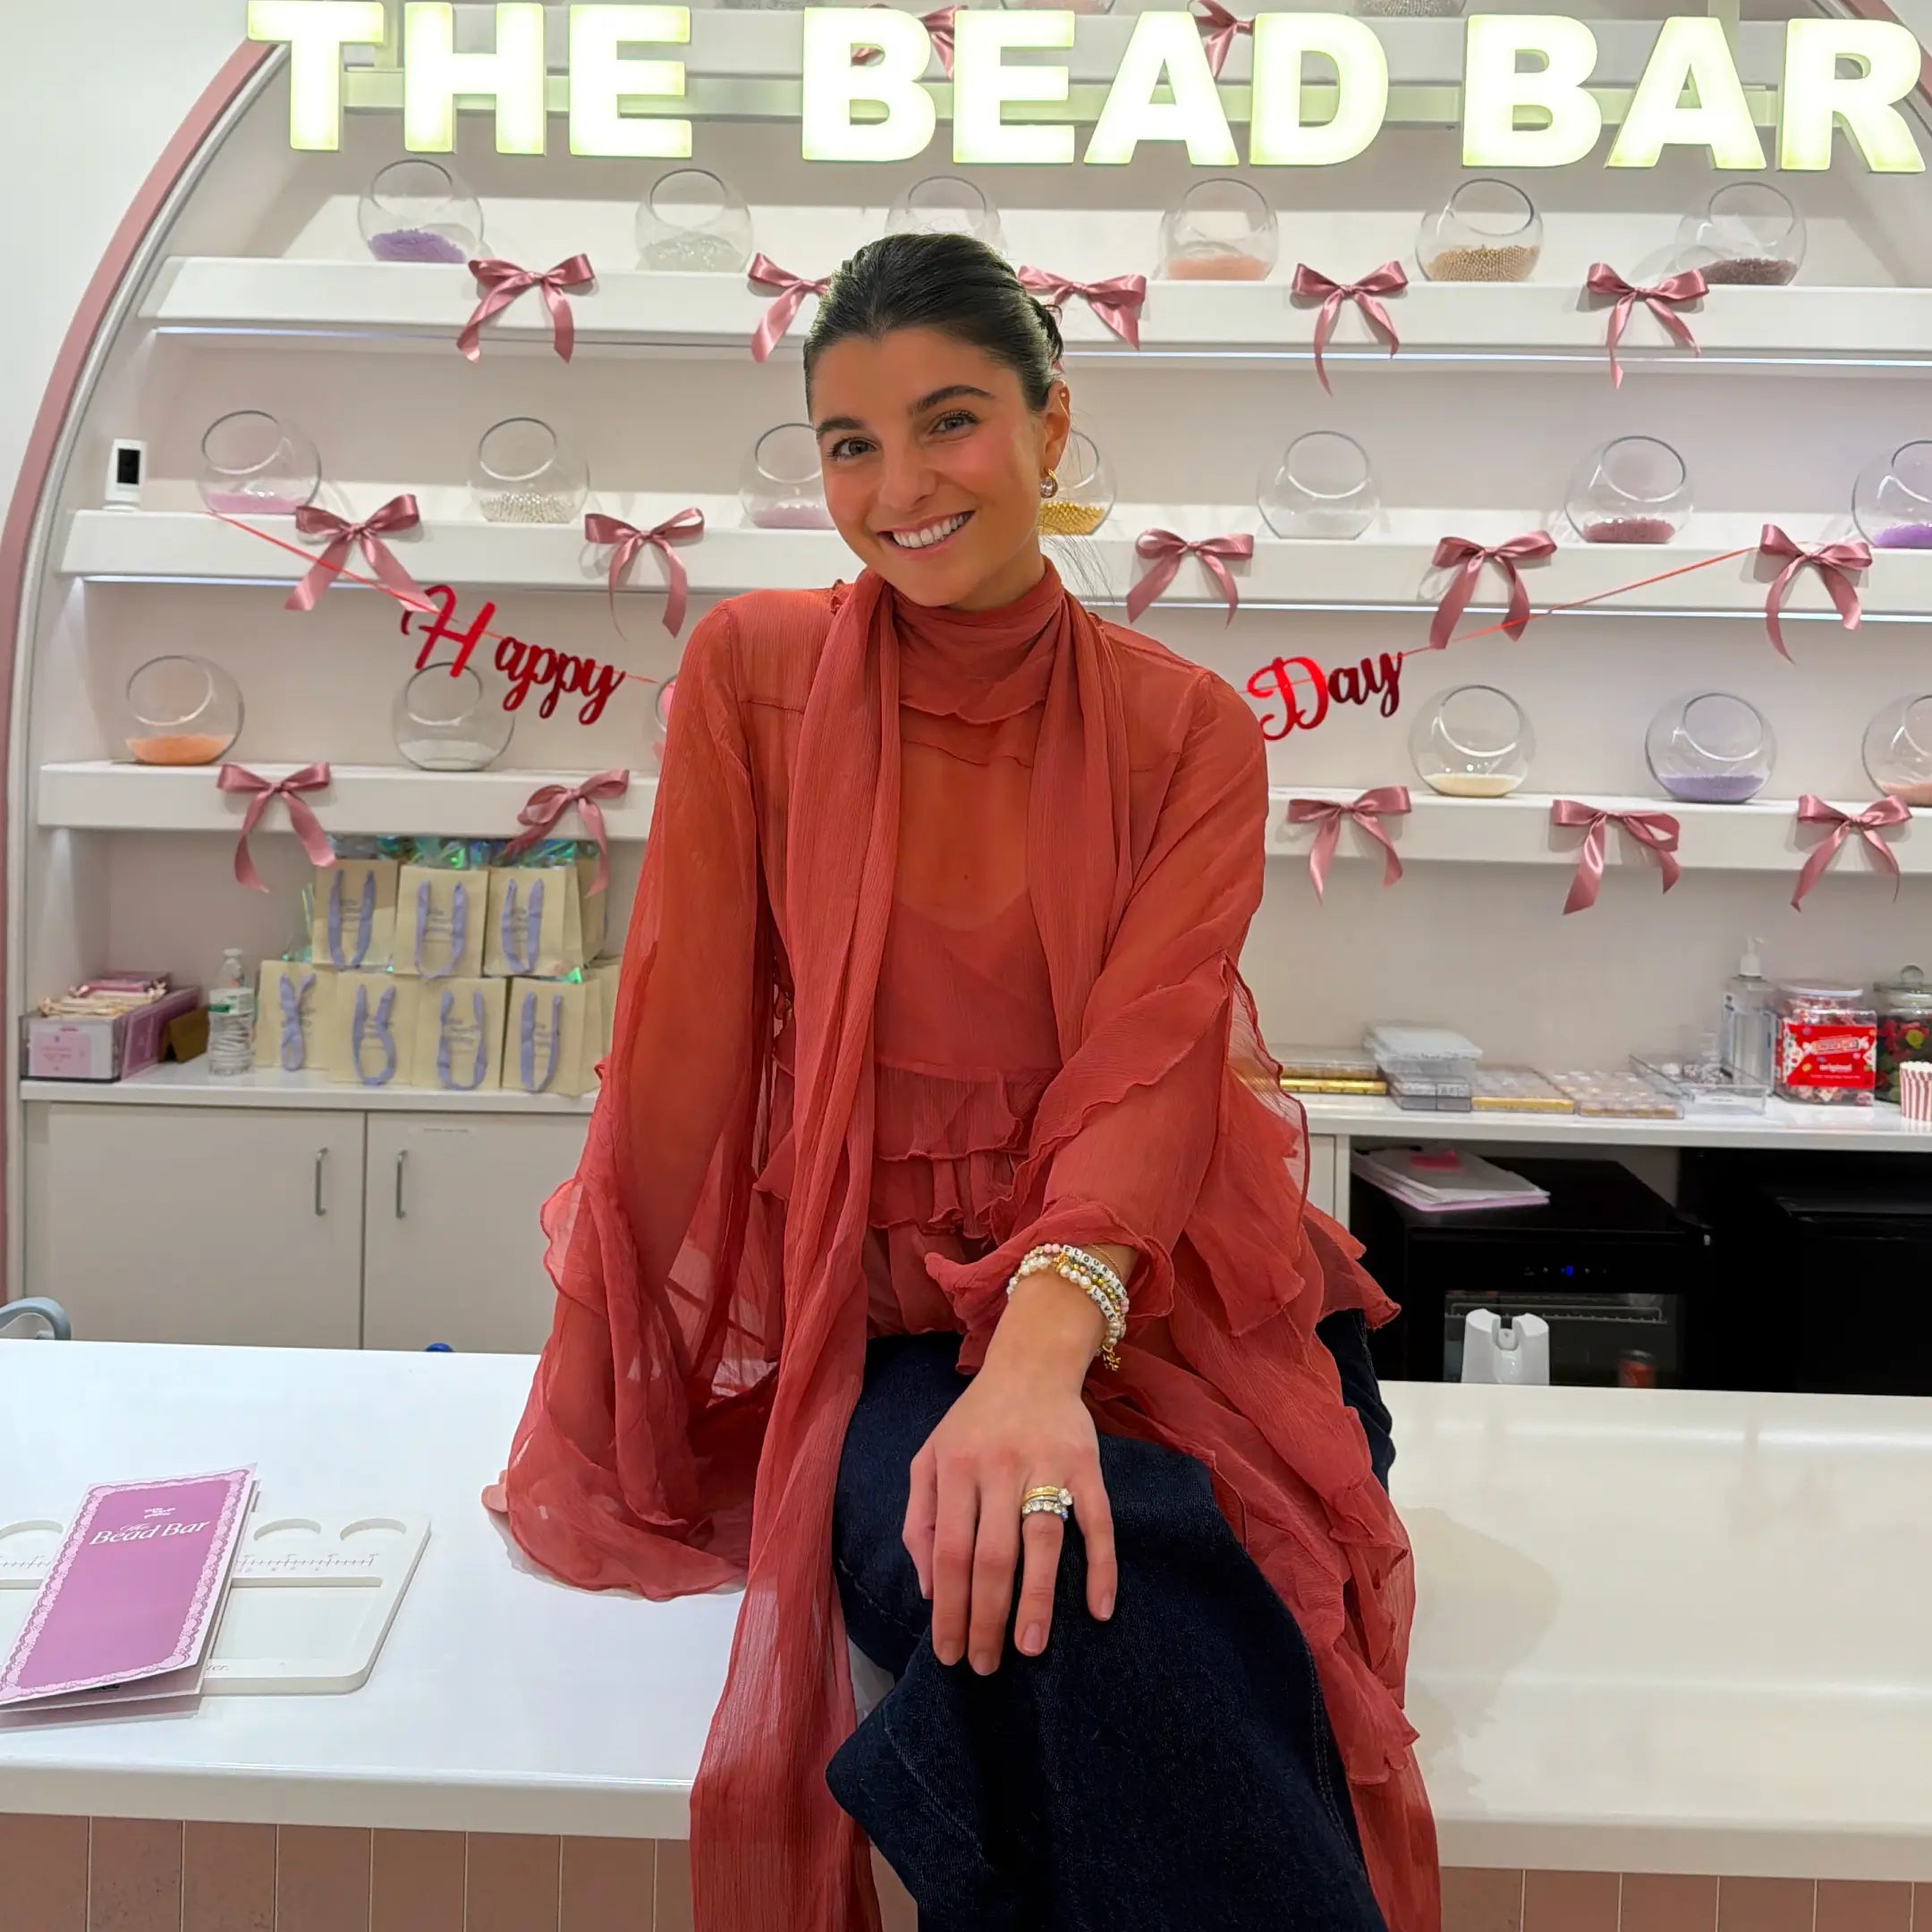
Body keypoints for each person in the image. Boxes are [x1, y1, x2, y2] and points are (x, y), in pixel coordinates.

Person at [489, 231, 1438, 1932]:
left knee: (1096, 1566)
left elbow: (1150, 1083)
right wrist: (603, 1383)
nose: (901, 485)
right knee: (1063, 1580)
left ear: (1051, 424)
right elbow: (683, 1045)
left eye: (951, 422)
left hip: (1175, 1307)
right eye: (850, 442)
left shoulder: (1189, 731)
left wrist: (1040, 1365)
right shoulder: (754, 675)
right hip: (899, 1325)